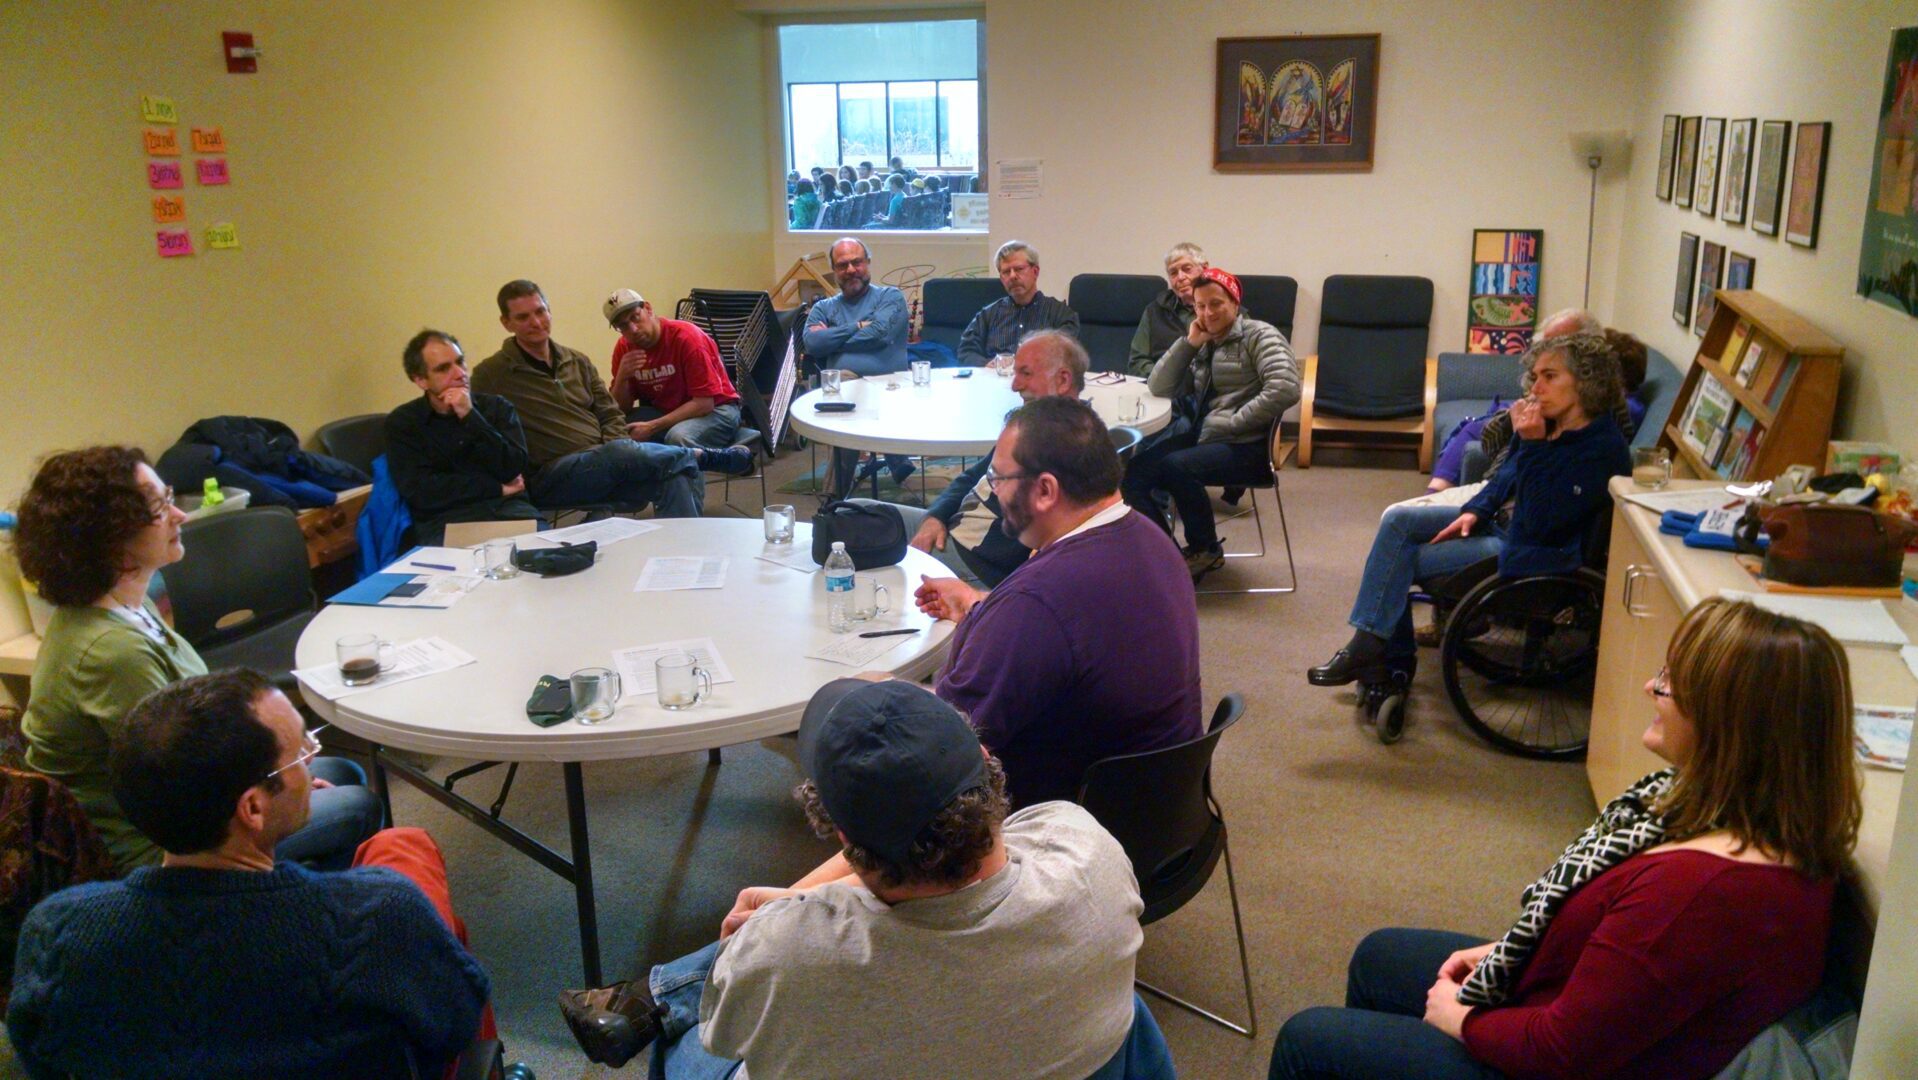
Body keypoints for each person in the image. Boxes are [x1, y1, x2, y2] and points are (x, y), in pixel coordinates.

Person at [1273, 598, 1864, 1080]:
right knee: (1382, 955)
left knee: (1312, 1041)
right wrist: (1511, 951)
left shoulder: (1698, 893)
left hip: (1571, 1063)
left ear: (1725, 723)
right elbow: (1625, 968)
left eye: (1669, 684)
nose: (1650, 689)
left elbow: (1564, 1052)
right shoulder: (1758, 815)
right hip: (1597, 1024)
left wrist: (1462, 1020)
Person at [558, 678, 1160, 1078]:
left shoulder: (785, 952)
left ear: (844, 840)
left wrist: (796, 907)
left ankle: (651, 1003)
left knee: (682, 1049)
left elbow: (730, 1038)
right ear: (987, 769)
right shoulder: (1085, 847)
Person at [7, 670, 496, 1076]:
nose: (312, 764)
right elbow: (454, 1027)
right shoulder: (377, 917)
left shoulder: (57, 933)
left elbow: (40, 1060)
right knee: (404, 846)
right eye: (303, 755)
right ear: (253, 808)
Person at [9, 447, 382, 874]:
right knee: (355, 804)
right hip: (145, 847)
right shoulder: (111, 652)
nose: (179, 516)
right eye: (159, 507)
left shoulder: (129, 599)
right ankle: (277, 914)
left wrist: (280, 778)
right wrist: (279, 788)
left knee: (344, 770)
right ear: (110, 539)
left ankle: (277, 905)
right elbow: (184, 781)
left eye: (168, 497)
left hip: (184, 800)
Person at [914, 397, 1204, 808]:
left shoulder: (1035, 602)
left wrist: (878, 691)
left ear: (1046, 490)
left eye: (998, 478)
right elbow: (1070, 638)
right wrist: (977, 605)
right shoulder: (1151, 539)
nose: (994, 493)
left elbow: (939, 743)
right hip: (1162, 813)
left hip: (1065, 830)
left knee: (857, 698)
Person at [1308, 333, 1632, 687]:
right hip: (1500, 524)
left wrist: (1534, 444)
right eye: (1535, 376)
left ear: (1587, 381)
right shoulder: (1550, 424)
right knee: (1398, 521)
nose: (1535, 387)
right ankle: (1372, 647)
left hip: (1529, 549)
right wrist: (1475, 510)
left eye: (1549, 376)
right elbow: (1504, 477)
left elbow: (1541, 523)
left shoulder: (1601, 449)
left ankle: (1383, 657)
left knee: (1398, 561)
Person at [470, 280, 752, 515]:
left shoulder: (576, 361)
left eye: (540, 311)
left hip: (620, 452)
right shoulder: (492, 374)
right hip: (553, 472)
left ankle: (686, 557)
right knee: (636, 451)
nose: (536, 322)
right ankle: (705, 458)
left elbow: (609, 413)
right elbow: (478, 434)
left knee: (672, 474)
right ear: (506, 324)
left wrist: (619, 450)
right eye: (522, 317)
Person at [1123, 267, 1300, 580]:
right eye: (1200, 306)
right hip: (1207, 437)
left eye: (1216, 303)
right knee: (1133, 474)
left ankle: (1206, 549)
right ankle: (1170, 557)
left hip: (1246, 446)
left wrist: (1234, 422)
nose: (1208, 312)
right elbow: (1159, 387)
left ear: (1234, 302)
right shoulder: (1204, 340)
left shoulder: (1260, 334)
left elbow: (1285, 387)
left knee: (1178, 466)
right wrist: (1189, 342)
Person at [890, 330, 1088, 584]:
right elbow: (971, 476)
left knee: (864, 538)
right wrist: (935, 517)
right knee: (860, 513)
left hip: (972, 564)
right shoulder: (1033, 425)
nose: (1015, 385)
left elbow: (1043, 546)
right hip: (949, 534)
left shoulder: (1068, 447)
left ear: (1062, 380)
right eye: (1015, 373)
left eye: (1026, 374)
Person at [384, 329, 539, 545]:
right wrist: (495, 487)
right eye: (443, 369)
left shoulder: (496, 408)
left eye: (460, 362)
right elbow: (422, 491)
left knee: (544, 561)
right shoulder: (404, 423)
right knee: (465, 572)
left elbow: (513, 467)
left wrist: (470, 416)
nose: (459, 373)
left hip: (508, 509)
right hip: (447, 521)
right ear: (421, 380)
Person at [1424, 309, 1602, 493]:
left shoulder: (1594, 429)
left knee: (1400, 517)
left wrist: (1530, 443)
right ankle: (1432, 495)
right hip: (1494, 498)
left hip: (1505, 503)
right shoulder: (1541, 398)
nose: (1536, 387)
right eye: (1546, 344)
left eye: (1561, 344)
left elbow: (1531, 497)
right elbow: (1498, 484)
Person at [803, 238, 914, 494]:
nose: (851, 269)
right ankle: (896, 457)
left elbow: (879, 334)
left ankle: (833, 495)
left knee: (842, 394)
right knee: (842, 387)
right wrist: (856, 326)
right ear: (834, 270)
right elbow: (812, 343)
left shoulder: (890, 296)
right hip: (846, 385)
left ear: (868, 263)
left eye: (857, 262)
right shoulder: (823, 307)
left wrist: (833, 338)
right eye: (843, 265)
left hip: (889, 382)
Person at [602, 288, 743, 450]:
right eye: (623, 326)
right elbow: (620, 410)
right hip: (667, 412)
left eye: (635, 317)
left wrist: (653, 427)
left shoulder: (687, 338)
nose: (633, 329)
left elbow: (704, 404)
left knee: (678, 437)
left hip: (717, 411)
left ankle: (729, 460)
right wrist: (622, 378)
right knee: (613, 432)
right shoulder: (624, 348)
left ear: (648, 309)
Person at [957, 241, 1081, 369]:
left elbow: (1065, 354)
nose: (1012, 276)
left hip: (1040, 385)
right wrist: (986, 364)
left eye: (1019, 269)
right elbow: (966, 350)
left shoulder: (1060, 314)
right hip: (995, 381)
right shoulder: (988, 315)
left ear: (1035, 272)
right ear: (1001, 278)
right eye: (1006, 272)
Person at [1127, 242, 1209, 377]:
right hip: (1162, 390)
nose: (1180, 277)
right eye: (1173, 273)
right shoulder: (1155, 311)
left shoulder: (1224, 310)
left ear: (1204, 269)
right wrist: (1165, 378)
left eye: (1187, 269)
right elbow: (1136, 362)